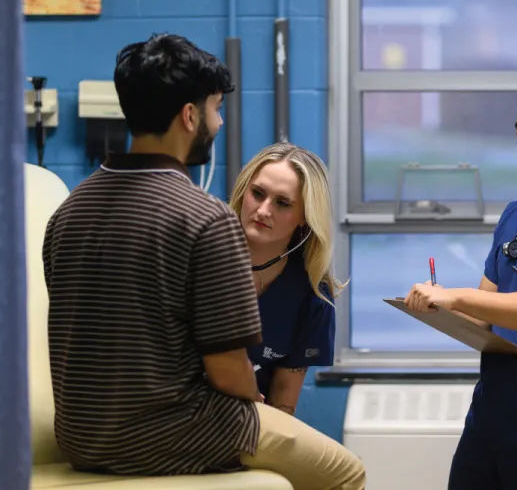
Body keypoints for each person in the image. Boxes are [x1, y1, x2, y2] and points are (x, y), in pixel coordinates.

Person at [42, 33, 365, 490]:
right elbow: (228, 369)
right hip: (172, 433)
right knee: (347, 473)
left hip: (80, 437)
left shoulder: (68, 210)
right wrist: (251, 405)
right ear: (189, 116)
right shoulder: (204, 218)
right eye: (215, 109)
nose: (218, 123)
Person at [403, 76, 517, 490]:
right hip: (491, 416)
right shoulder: (516, 215)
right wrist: (439, 305)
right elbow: (484, 317)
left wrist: (455, 296)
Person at [228, 142, 344, 416]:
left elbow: (283, 403)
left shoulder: (313, 293)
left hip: (254, 423)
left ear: (305, 216)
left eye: (282, 203)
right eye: (257, 194)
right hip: (177, 420)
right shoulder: (198, 261)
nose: (264, 210)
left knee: (344, 462)